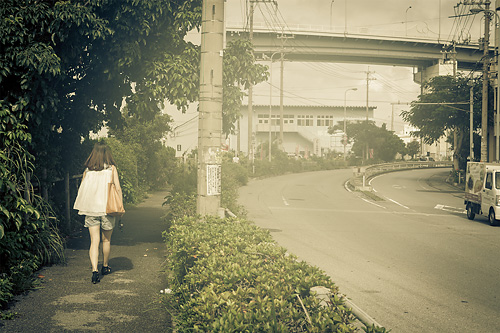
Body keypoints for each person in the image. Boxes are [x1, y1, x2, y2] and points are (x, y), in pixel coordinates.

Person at [73, 142, 122, 284]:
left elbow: (82, 190)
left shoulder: (87, 171)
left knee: (94, 241)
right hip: (107, 210)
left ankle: (94, 270)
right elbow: (118, 189)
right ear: (107, 154)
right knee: (106, 240)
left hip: (91, 210)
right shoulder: (112, 169)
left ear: (93, 154)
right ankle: (105, 267)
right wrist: (121, 207)